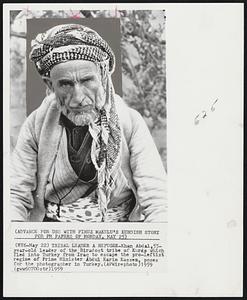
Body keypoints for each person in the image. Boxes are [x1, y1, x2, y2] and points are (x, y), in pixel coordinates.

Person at [10, 23, 167, 222]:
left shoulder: (130, 121)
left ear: (102, 77)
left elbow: (157, 198)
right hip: (54, 228)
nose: (78, 98)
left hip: (118, 227)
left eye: (86, 81)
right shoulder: (36, 124)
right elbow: (14, 194)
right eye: (65, 84)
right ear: (50, 85)